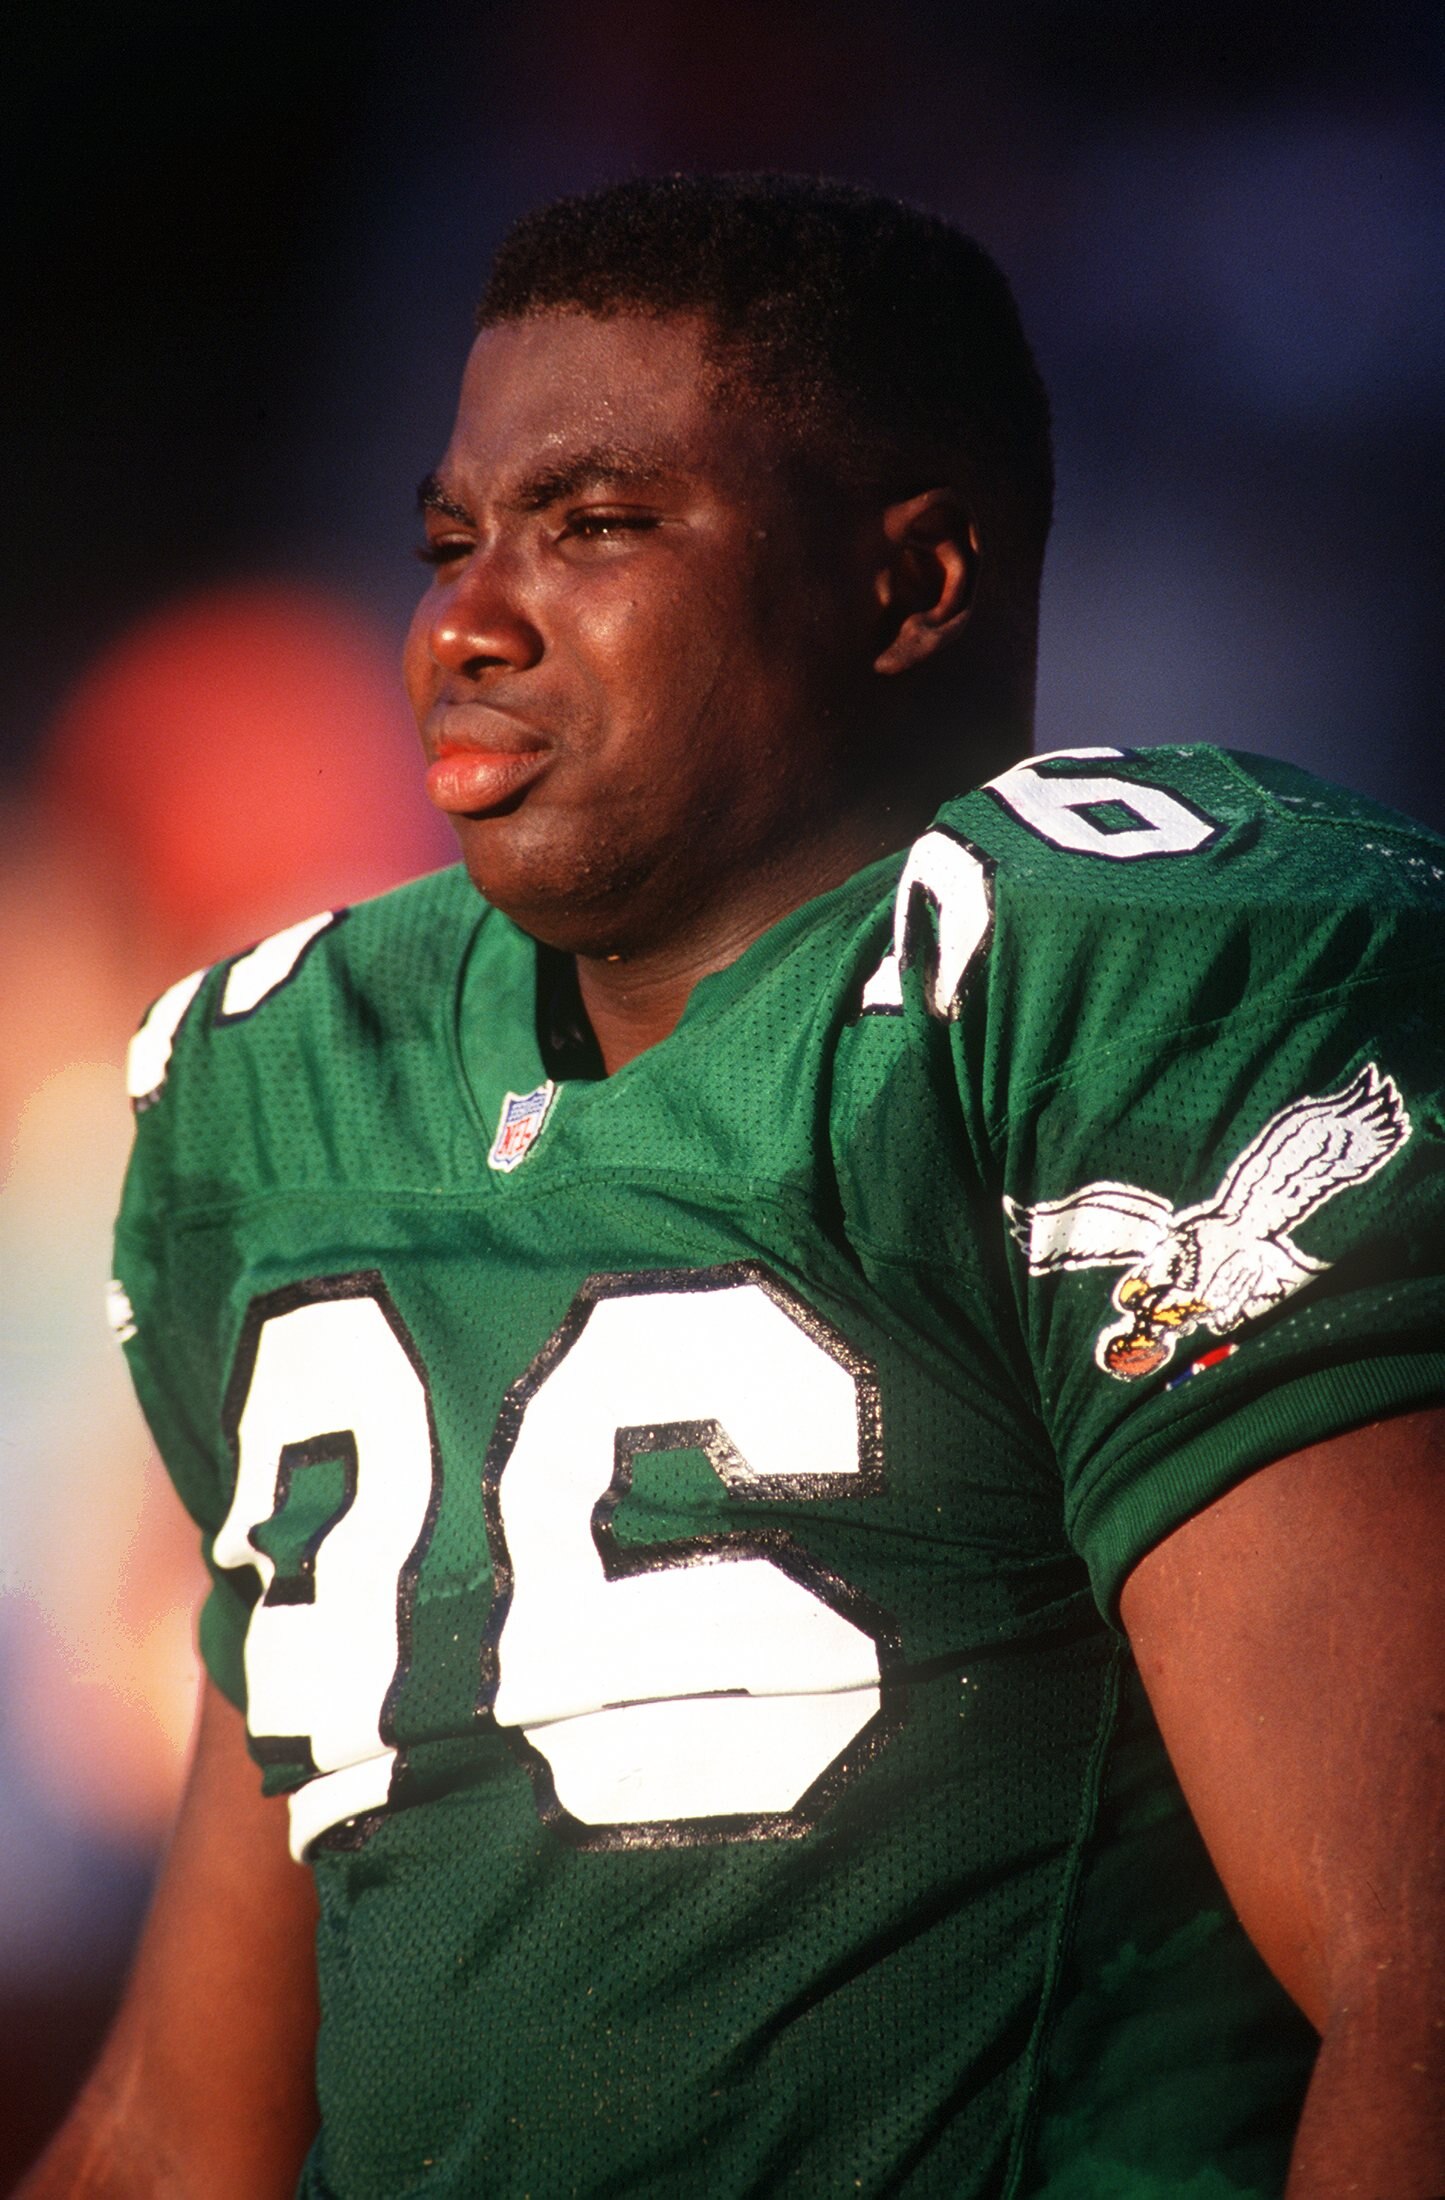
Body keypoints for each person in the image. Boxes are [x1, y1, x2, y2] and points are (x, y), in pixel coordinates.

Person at [27, 175, 1445, 2199]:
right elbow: (186, 2126)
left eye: (596, 526)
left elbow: (1421, 1988)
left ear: (912, 581)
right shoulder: (307, 1083)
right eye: (448, 540)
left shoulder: (1076, 982)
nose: (466, 619)